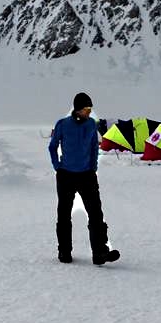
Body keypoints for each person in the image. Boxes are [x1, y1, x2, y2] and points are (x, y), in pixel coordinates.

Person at [48, 92, 119, 265]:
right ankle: (64, 252)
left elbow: (95, 147)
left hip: (87, 176)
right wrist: (57, 166)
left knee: (95, 214)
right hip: (66, 176)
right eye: (86, 109)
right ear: (78, 109)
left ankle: (100, 252)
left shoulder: (90, 126)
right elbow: (52, 146)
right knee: (64, 215)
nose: (89, 112)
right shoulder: (63, 125)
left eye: (90, 109)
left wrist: (93, 167)